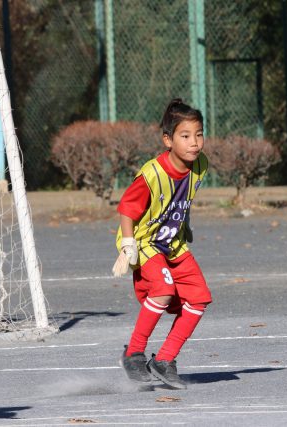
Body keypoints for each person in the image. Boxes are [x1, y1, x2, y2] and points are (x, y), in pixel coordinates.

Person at [112, 98, 211, 390]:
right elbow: (127, 208)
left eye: (199, 134)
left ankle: (164, 360)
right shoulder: (152, 174)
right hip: (144, 242)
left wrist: (184, 222)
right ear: (167, 139)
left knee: (199, 298)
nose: (194, 143)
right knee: (164, 290)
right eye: (185, 136)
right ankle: (133, 353)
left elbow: (182, 196)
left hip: (173, 244)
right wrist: (129, 244)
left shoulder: (200, 165)